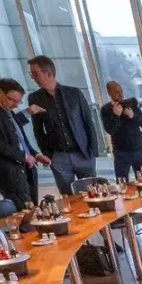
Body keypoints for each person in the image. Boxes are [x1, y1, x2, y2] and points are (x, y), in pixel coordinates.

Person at [26, 55, 100, 195]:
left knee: (92, 194)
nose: (33, 78)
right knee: (68, 198)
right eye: (31, 74)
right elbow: (38, 131)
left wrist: (93, 151)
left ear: (49, 73)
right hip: (59, 157)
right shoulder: (35, 98)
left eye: (35, 74)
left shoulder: (74, 93)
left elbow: (88, 122)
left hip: (83, 153)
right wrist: (49, 155)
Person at [0, 78, 47, 208]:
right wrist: (24, 157)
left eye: (18, 102)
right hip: (6, 172)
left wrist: (35, 155)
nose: (15, 105)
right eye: (12, 100)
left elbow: (20, 138)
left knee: (33, 209)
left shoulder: (5, 106)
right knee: (25, 213)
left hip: (23, 168)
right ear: (0, 92)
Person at [101, 81, 142, 181]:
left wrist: (133, 116)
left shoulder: (130, 104)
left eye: (121, 91)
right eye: (117, 92)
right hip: (121, 152)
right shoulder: (106, 109)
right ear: (109, 93)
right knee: (122, 182)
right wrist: (116, 115)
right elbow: (110, 130)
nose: (120, 94)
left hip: (138, 149)